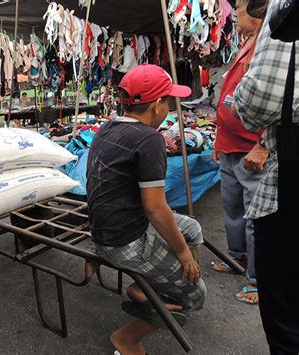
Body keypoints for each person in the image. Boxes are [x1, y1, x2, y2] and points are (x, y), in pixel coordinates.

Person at [87, 64, 206, 355]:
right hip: (122, 239)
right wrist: (182, 254)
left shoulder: (107, 127)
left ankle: (155, 288)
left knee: (193, 228)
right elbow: (155, 207)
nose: (169, 107)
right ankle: (126, 339)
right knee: (196, 293)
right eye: (168, 101)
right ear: (156, 106)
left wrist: (182, 246)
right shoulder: (149, 139)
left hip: (109, 226)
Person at [234, 0, 299, 352]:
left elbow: (259, 100)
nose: (235, 13)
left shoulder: (284, 12)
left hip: (290, 175)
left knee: (285, 313)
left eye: (241, 7)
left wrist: (237, 101)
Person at [211, 0, 268, 305]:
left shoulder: (270, 45)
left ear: (257, 13)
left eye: (241, 8)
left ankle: (259, 279)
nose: (235, 14)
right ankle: (237, 259)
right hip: (232, 144)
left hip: (251, 148)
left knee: (255, 217)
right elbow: (227, 97)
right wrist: (220, 140)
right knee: (232, 206)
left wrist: (264, 145)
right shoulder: (247, 42)